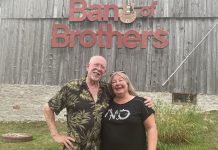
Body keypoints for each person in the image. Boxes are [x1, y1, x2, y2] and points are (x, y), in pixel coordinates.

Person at [43, 55, 153, 150]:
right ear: (88, 67)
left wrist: (144, 100)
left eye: (102, 67)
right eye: (96, 65)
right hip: (75, 146)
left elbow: (124, 95)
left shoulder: (107, 89)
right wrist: (55, 135)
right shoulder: (71, 87)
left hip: (99, 146)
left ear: (104, 72)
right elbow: (48, 108)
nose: (98, 69)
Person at [101, 71, 157, 150]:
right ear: (111, 86)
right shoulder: (106, 104)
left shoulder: (141, 103)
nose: (117, 83)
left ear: (127, 83)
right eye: (114, 82)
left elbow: (151, 128)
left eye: (121, 80)